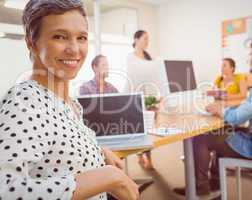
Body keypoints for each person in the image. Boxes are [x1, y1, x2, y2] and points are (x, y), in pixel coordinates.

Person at [0, 1, 139, 200]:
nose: (74, 49)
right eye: (60, 36)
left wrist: (98, 152)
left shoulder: (69, 103)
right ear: (31, 41)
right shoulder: (25, 102)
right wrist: (109, 177)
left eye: (81, 38)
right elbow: (6, 190)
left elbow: (57, 147)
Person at [174, 38, 252, 196]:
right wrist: (228, 109)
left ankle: (200, 187)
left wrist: (221, 110)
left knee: (200, 137)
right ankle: (214, 184)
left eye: (250, 55)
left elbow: (237, 118)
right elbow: (250, 108)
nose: (249, 59)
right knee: (223, 130)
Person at [127, 30, 155, 170]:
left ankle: (149, 158)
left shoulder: (148, 57)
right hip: (135, 96)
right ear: (136, 39)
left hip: (148, 96)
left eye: (148, 39)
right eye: (145, 38)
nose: (147, 42)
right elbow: (133, 78)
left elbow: (152, 77)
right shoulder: (130, 57)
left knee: (148, 129)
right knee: (139, 129)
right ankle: (140, 156)